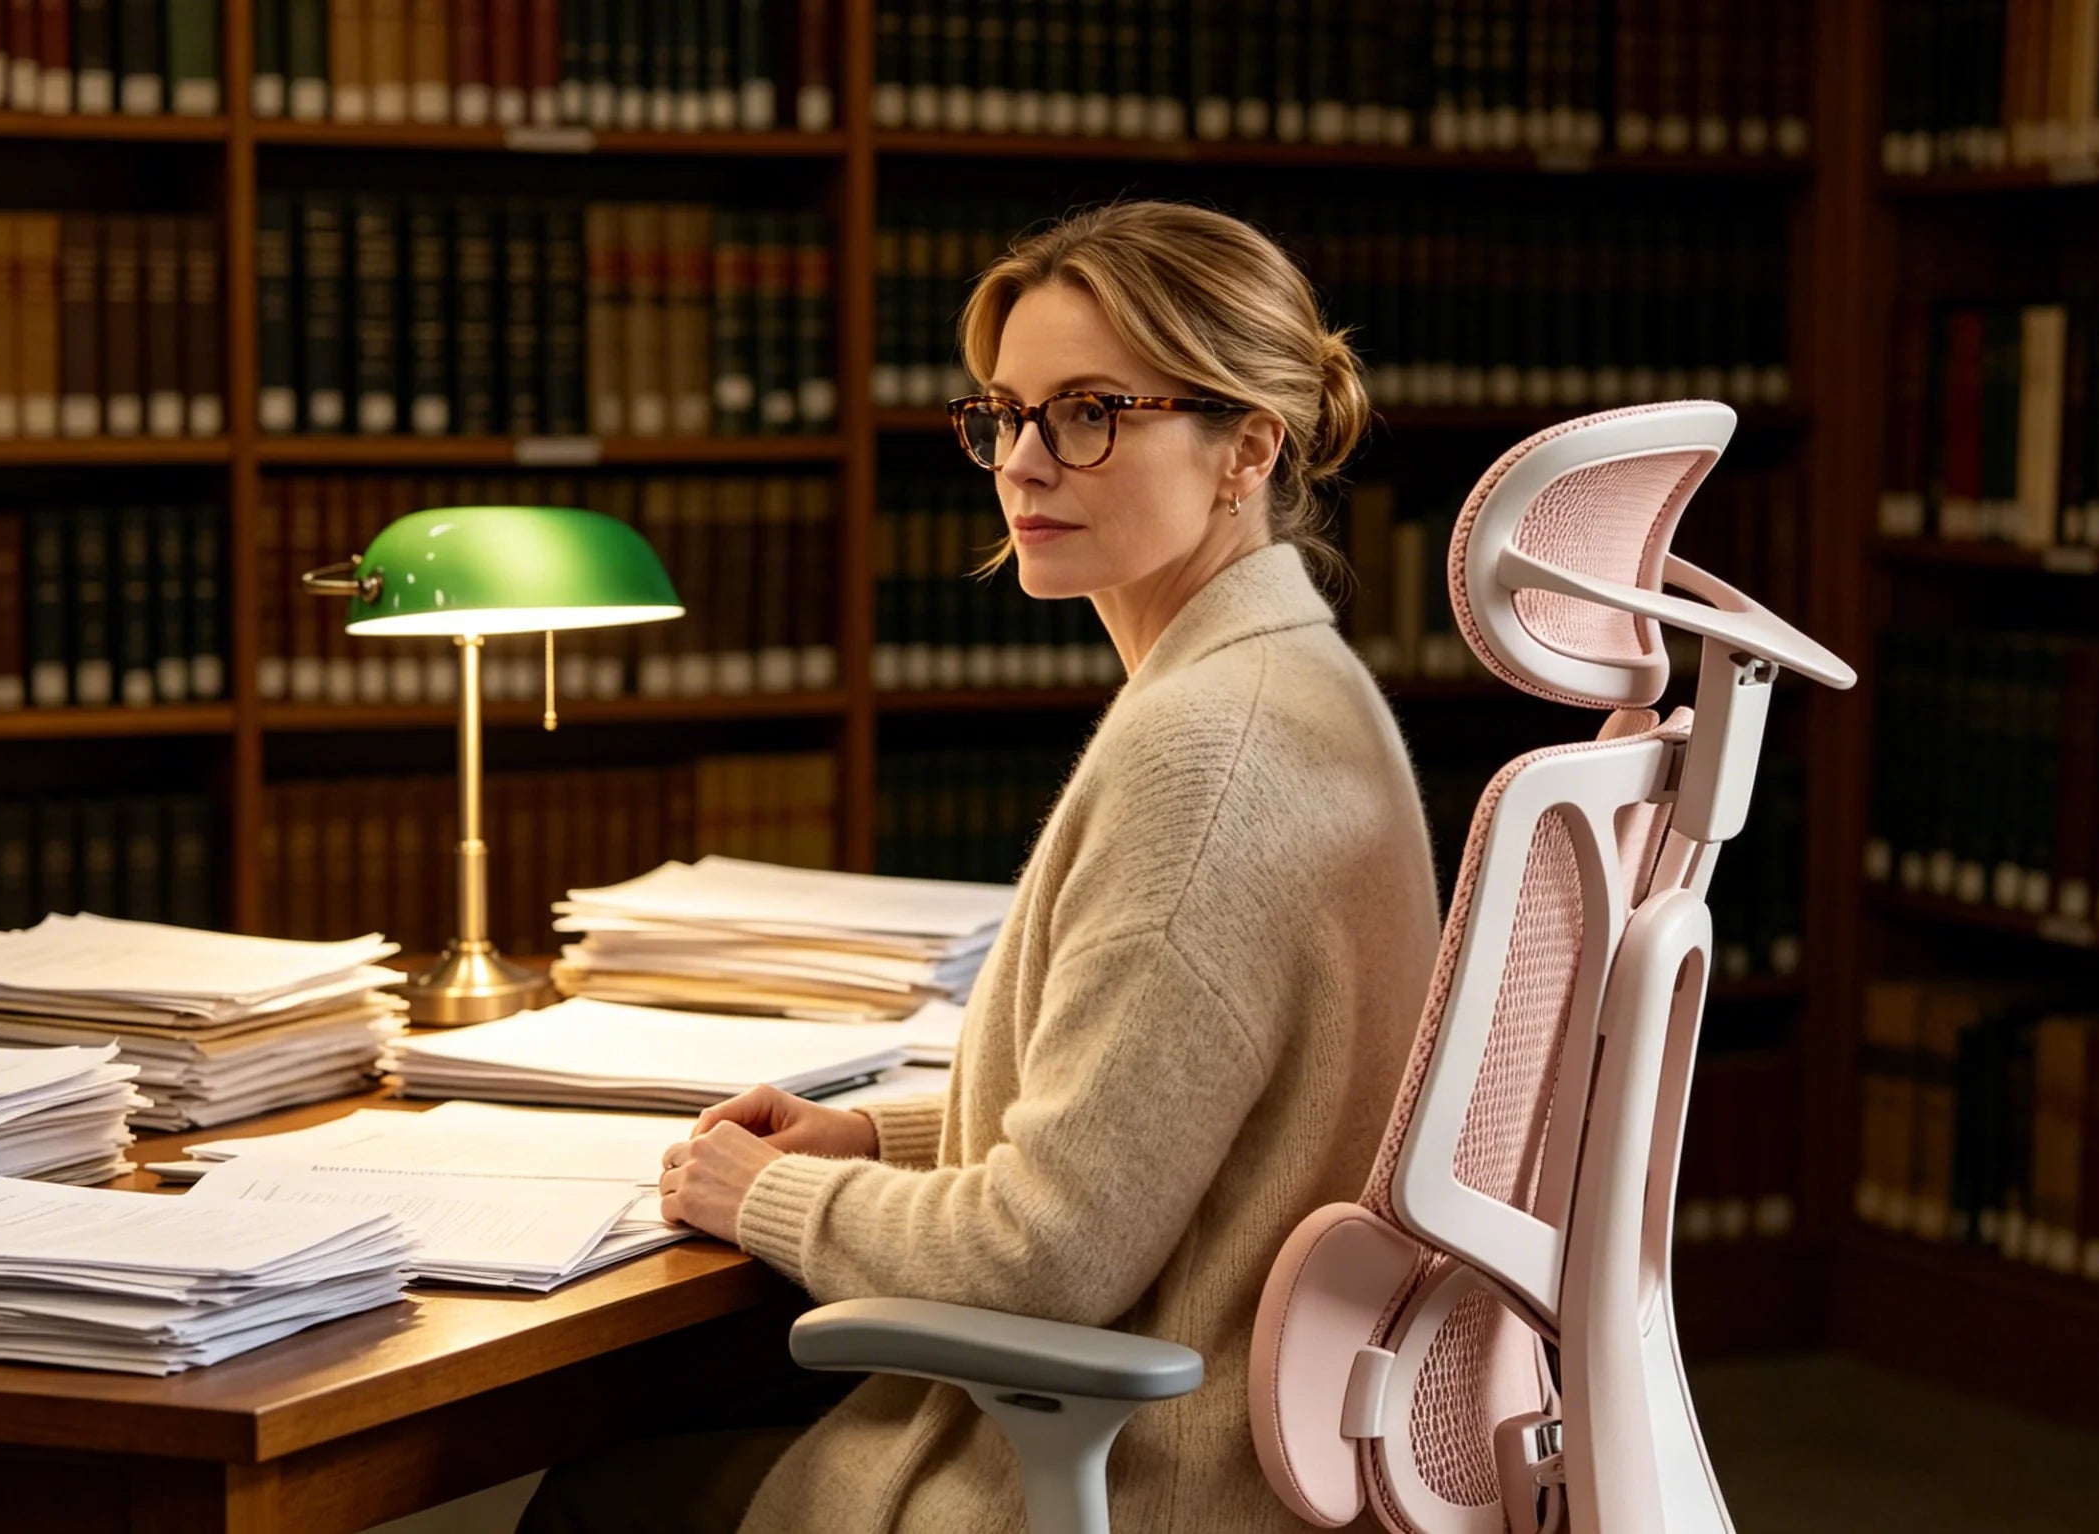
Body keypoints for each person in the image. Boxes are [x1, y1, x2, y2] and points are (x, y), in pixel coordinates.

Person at [521, 198, 1443, 1534]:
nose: (1024, 461)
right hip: (1256, 1431)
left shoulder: (1205, 756)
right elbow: (1160, 1117)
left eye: (1089, 412)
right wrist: (870, 1135)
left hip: (1159, 1479)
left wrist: (771, 1191)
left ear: (1247, 444)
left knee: (598, 1503)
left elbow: (1049, 1257)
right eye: (1004, 413)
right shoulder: (1293, 681)